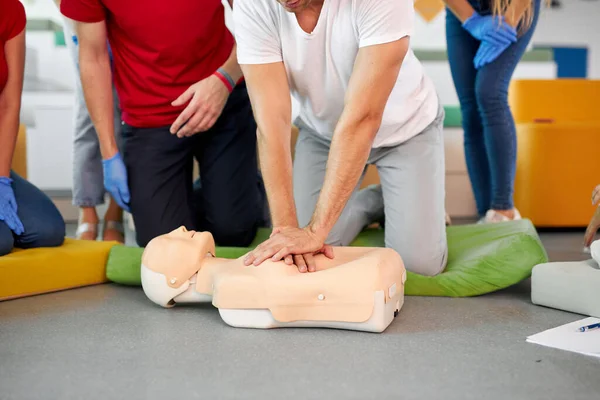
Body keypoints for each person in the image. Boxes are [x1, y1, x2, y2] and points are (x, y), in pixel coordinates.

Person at [236, 0, 448, 276]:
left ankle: (398, 199)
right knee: (309, 256)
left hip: (405, 130)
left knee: (419, 266)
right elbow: (271, 124)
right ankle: (374, 203)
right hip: (322, 132)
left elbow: (363, 118)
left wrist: (314, 230)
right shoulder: (252, 5)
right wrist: (286, 232)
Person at [60, 0, 267, 247]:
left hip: (221, 97)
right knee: (163, 245)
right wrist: (109, 153)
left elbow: (259, 26)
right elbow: (93, 57)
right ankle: (208, 192)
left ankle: (234, 187)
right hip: (149, 117)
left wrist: (225, 79)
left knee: (232, 232)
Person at [443, 0, 543, 223]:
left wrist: (508, 22)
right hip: (462, 9)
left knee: (489, 93)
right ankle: (486, 214)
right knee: (470, 112)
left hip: (513, 6)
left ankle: (503, 209)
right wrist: (470, 20)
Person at [53, 0, 125, 243]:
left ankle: (116, 212)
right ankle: (88, 212)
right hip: (81, 15)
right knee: (89, 110)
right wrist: (76, 21)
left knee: (126, 112)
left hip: (127, 18)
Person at [0, 0, 66, 256]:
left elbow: (8, 104)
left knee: (46, 229)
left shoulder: (10, 9)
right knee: (2, 242)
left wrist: (2, 179)